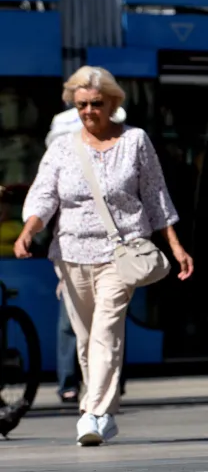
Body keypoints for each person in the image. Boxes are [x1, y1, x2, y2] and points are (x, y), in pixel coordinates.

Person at [14, 65, 194, 445]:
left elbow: (156, 197)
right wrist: (29, 231)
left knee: (105, 332)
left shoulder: (135, 141)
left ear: (112, 103)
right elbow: (44, 194)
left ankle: (91, 412)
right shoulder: (63, 147)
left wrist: (175, 247)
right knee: (85, 338)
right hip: (71, 253)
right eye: (81, 105)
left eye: (96, 104)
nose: (89, 112)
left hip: (120, 253)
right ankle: (103, 413)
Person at [46, 101, 127, 405]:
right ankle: (76, 384)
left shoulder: (120, 156)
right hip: (73, 255)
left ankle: (101, 396)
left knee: (109, 321)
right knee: (74, 324)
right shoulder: (63, 164)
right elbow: (48, 205)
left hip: (112, 255)